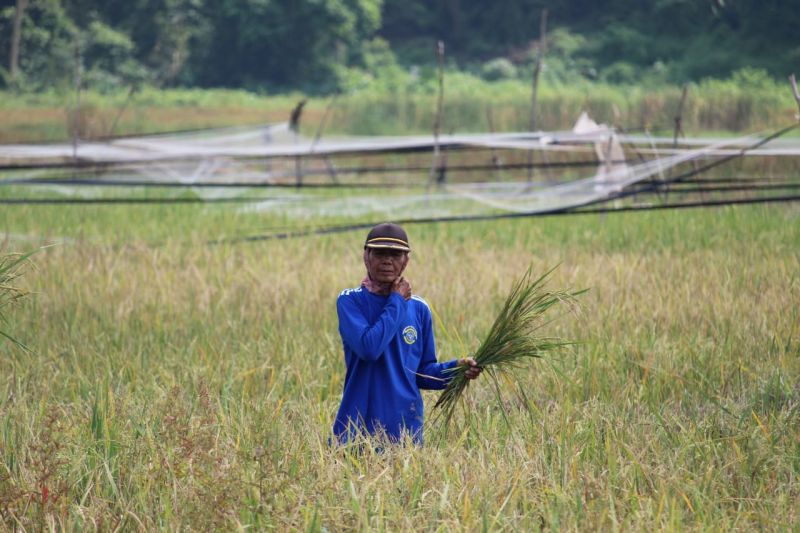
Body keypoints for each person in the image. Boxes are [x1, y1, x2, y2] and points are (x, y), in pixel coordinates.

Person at [332, 222, 482, 445]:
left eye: (395, 254)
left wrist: (457, 369)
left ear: (406, 261)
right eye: (380, 253)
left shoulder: (419, 308)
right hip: (356, 434)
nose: (387, 260)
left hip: (405, 436)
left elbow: (421, 373)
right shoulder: (350, 301)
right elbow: (369, 348)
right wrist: (396, 301)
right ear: (366, 256)